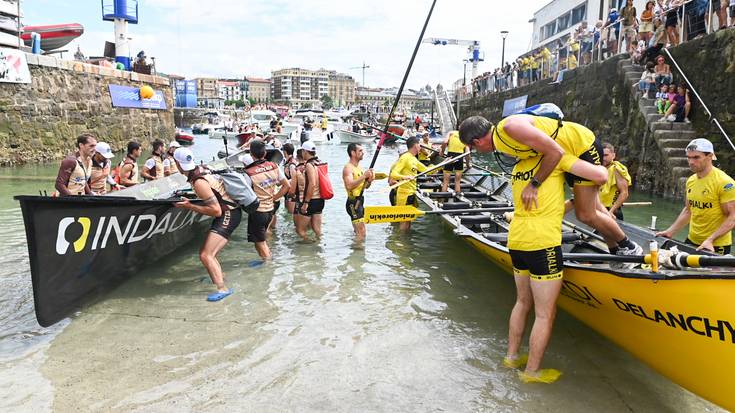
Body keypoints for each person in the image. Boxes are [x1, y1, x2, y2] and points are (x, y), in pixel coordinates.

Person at [458, 115, 643, 258]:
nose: (475, 151)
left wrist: (533, 185)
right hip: (569, 155)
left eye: (473, 148)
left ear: (476, 142)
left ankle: (629, 246)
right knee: (594, 207)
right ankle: (615, 250)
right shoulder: (503, 142)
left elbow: (555, 151)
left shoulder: (509, 128)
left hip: (582, 146)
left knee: (585, 214)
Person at [173, 148, 238, 301]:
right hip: (232, 211)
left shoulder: (198, 182)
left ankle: (222, 289)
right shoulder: (201, 170)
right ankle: (219, 277)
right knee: (208, 252)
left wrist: (190, 206)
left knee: (205, 255)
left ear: (177, 164)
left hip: (229, 213)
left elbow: (216, 211)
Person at [656, 138, 735, 255]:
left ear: (710, 156)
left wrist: (710, 239)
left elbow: (732, 217)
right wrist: (670, 231)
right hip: (692, 240)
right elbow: (688, 211)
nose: (691, 162)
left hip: (716, 245)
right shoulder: (691, 180)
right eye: (689, 157)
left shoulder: (725, 183)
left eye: (696, 157)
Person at [244, 139, 290, 260]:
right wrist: (274, 198)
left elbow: (245, 195)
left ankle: (268, 266)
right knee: (261, 239)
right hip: (271, 209)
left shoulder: (249, 172)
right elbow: (286, 185)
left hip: (258, 211)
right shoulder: (274, 166)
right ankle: (266, 261)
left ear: (251, 154)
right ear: (264, 153)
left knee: (260, 242)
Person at [389, 136, 429, 232]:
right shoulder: (405, 158)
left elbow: (427, 170)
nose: (421, 146)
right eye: (419, 144)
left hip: (411, 193)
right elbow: (394, 174)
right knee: (404, 221)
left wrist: (444, 164)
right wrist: (404, 177)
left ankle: (406, 242)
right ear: (415, 145)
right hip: (404, 194)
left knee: (409, 220)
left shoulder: (414, 159)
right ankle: (400, 241)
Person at [342, 143, 374, 241]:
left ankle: (356, 250)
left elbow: (365, 187)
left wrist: (369, 180)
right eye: (360, 151)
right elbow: (349, 185)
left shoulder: (359, 168)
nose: (363, 153)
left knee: (358, 232)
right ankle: (358, 254)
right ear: (353, 153)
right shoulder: (348, 168)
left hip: (360, 201)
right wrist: (364, 176)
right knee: (362, 233)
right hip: (353, 203)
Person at [297, 141, 325, 239]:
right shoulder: (319, 162)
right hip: (320, 200)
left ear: (305, 151)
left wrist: (306, 203)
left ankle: (309, 246)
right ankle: (318, 248)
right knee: (317, 230)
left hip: (311, 200)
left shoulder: (309, 165)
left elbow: (312, 184)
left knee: (300, 230)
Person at [598, 143, 631, 220]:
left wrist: (611, 211)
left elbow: (624, 193)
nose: (603, 158)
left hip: (611, 211)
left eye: (606, 155)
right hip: (599, 209)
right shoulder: (599, 168)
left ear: (613, 155)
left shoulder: (617, 169)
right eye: (601, 155)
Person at [282, 143, 298, 214]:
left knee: (290, 214)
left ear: (285, 152)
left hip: (291, 192)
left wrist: (284, 182)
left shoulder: (291, 164)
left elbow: (294, 178)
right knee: (287, 213)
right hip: (287, 190)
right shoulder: (288, 162)